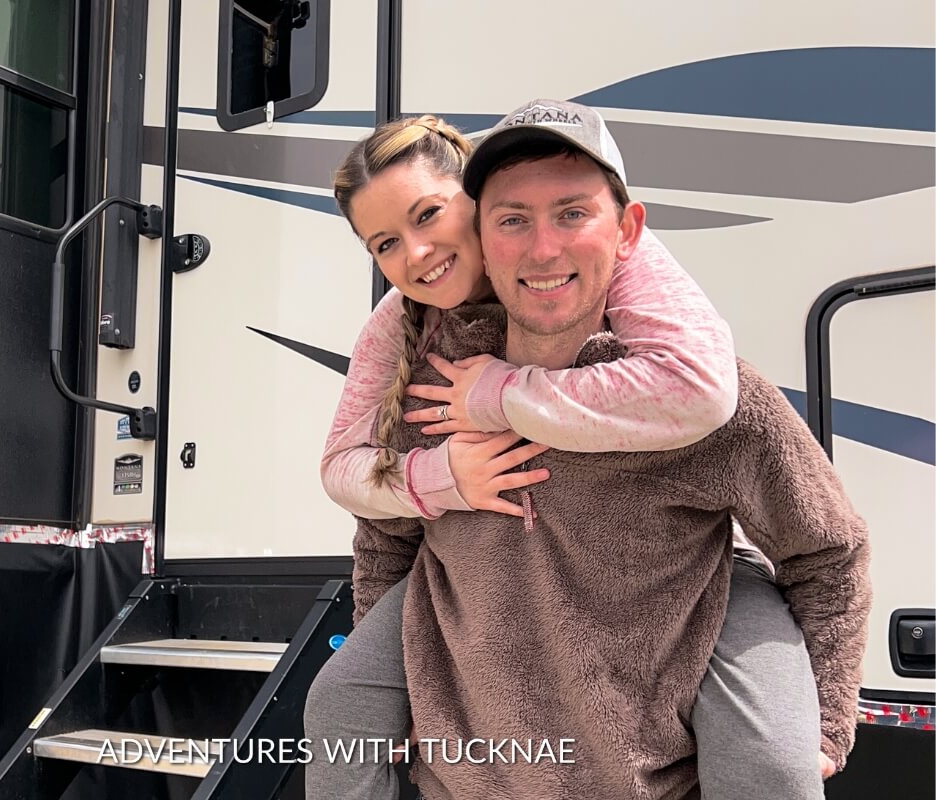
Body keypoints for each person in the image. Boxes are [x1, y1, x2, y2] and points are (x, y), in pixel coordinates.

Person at [305, 103, 865, 798]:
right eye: (383, 243)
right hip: (472, 657)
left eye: (572, 214)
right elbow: (375, 519)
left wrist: (828, 720)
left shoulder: (686, 371)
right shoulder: (417, 360)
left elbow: (823, 543)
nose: (415, 254)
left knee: (773, 766)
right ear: (489, 222)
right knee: (336, 706)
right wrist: (440, 474)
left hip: (691, 605)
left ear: (627, 230)